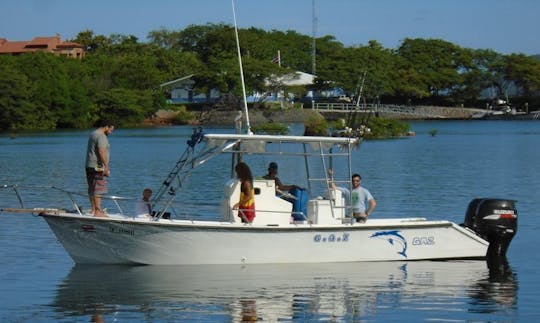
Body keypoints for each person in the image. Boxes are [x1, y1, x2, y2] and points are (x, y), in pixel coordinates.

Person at [85, 120, 115, 217]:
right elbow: (101, 151)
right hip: (98, 167)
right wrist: (106, 166)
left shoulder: (93, 133)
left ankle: (93, 209)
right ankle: (98, 211)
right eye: (111, 129)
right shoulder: (101, 136)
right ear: (106, 126)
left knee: (91, 187)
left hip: (89, 165)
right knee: (98, 188)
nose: (111, 132)